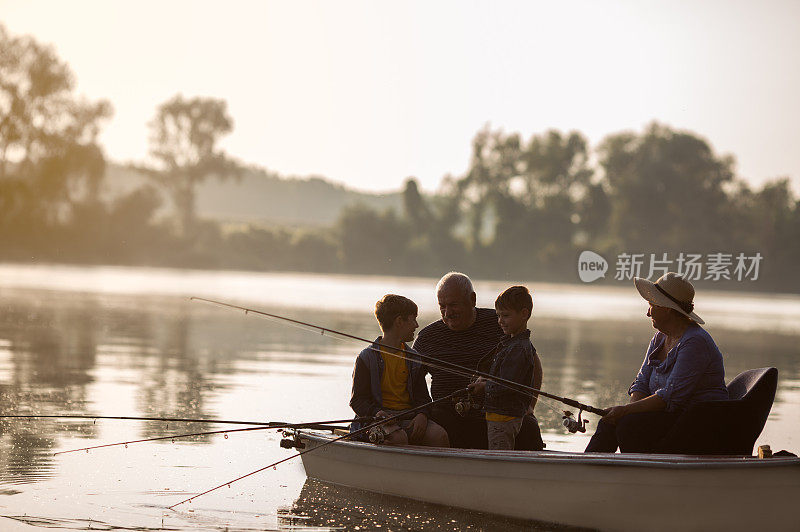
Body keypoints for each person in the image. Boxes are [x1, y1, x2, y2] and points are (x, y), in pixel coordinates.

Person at [585, 272, 729, 453]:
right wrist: (624, 412)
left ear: (667, 308)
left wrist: (625, 412)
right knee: (610, 422)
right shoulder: (659, 338)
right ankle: (586, 470)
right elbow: (641, 382)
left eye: (652, 305)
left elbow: (670, 395)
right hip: (671, 417)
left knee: (628, 425)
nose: (647, 312)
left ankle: (640, 475)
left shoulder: (695, 342)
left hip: (698, 423)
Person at [413, 272, 543, 450]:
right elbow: (411, 380)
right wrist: (421, 411)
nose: (447, 312)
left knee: (529, 426)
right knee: (437, 424)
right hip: (448, 413)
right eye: (442, 306)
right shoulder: (428, 337)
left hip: (499, 411)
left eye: (453, 305)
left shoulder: (500, 323)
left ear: (472, 299)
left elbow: (532, 363)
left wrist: (529, 405)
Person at [350, 294, 449, 447]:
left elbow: (423, 397)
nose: (416, 325)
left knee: (439, 436)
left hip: (407, 418)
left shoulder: (414, 358)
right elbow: (357, 401)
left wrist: (422, 415)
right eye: (413, 319)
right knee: (399, 438)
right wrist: (377, 413)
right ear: (399, 321)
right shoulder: (366, 358)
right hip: (374, 421)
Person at [468, 286, 540, 450]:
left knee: (499, 455)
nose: (500, 321)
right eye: (498, 315)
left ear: (524, 314)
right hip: (499, 415)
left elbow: (507, 384)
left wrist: (484, 386)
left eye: (506, 316)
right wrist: (486, 379)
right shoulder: (512, 343)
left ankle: (500, 475)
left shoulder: (518, 349)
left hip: (504, 417)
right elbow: (504, 378)